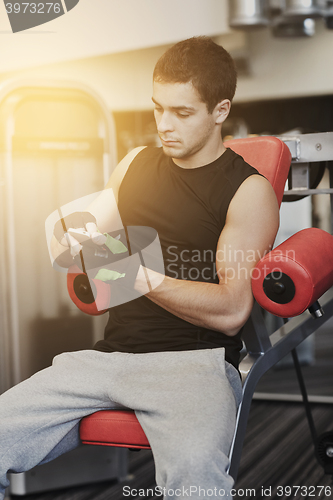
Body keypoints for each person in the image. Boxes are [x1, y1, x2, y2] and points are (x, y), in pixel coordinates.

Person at [0, 37, 279, 499]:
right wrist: (77, 240)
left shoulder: (248, 192)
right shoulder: (133, 165)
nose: (164, 126)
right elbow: (99, 250)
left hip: (192, 367)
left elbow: (231, 310)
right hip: (106, 359)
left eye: (182, 113)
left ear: (220, 111)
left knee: (195, 479)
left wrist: (140, 275)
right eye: (157, 109)